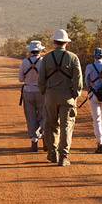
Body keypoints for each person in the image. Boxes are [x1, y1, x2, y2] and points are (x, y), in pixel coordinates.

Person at [37, 29, 82, 166]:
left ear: (54, 42)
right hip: (67, 95)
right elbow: (78, 80)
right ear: (66, 43)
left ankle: (52, 152)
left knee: (51, 124)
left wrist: (45, 91)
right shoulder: (73, 58)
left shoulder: (46, 58)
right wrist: (75, 94)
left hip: (50, 95)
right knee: (66, 126)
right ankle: (63, 156)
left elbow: (41, 80)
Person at [18, 40, 46, 152]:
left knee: (31, 116)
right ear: (40, 50)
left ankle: (34, 140)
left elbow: (20, 79)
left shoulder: (25, 62)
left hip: (28, 91)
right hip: (42, 91)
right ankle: (45, 135)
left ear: (30, 51)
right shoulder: (44, 61)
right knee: (43, 115)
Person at [85, 47, 102, 153]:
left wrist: (92, 84)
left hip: (94, 94)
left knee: (97, 119)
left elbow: (87, 82)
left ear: (94, 58)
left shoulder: (89, 67)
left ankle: (99, 142)